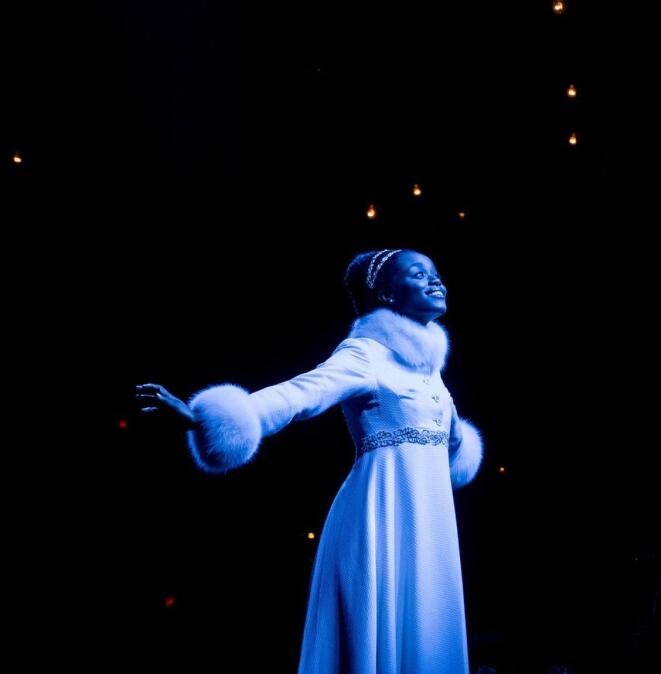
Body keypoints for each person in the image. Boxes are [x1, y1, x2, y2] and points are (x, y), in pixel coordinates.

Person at [137, 248, 483, 673]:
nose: (436, 281)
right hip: (381, 513)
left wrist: (456, 445)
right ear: (388, 295)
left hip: (429, 520)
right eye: (419, 274)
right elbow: (299, 394)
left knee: (428, 631)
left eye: (437, 273)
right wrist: (204, 418)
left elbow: (451, 441)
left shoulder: (430, 371)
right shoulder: (366, 354)